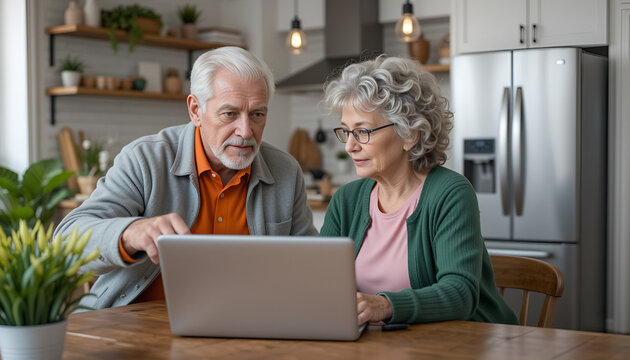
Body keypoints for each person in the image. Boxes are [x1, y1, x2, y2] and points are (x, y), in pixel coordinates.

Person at [55, 47, 318, 309]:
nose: (246, 131)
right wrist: (131, 233)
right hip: (135, 329)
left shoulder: (286, 171)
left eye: (257, 114)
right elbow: (65, 241)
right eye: (230, 114)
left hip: (246, 328)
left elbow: (311, 267)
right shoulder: (145, 159)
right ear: (195, 110)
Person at [321, 55, 517, 326]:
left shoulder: (449, 193)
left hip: (464, 344)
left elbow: (461, 293)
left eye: (363, 132)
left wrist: (386, 305)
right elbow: (321, 284)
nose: (349, 146)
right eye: (346, 132)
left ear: (409, 134)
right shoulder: (347, 200)